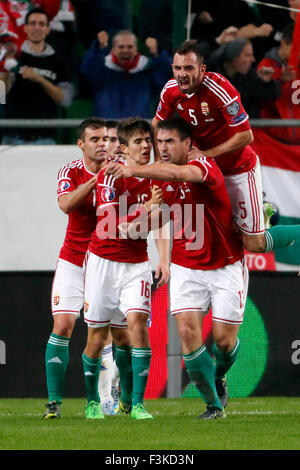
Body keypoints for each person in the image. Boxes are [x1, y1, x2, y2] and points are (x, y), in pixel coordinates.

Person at [106, 117, 248, 419]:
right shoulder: (160, 179)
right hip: (186, 265)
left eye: (169, 141)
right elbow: (163, 218)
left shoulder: (204, 166)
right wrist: (139, 225)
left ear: (188, 144)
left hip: (225, 264)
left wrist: (131, 168)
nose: (162, 148)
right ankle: (213, 405)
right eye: (160, 142)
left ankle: (220, 373)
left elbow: (178, 173)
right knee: (186, 333)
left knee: (223, 342)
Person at [152, 40, 300, 258]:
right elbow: (157, 124)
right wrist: (159, 161)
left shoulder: (219, 89)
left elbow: (245, 135)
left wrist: (206, 154)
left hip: (237, 168)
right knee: (209, 232)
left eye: (189, 68)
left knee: (254, 243)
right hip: (204, 172)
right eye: (178, 68)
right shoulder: (171, 90)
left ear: (202, 70)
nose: (182, 74)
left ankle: (266, 216)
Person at [81, 118, 168, 420]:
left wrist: (141, 222)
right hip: (103, 263)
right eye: (139, 142)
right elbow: (108, 226)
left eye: (149, 141)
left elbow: (161, 221)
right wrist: (144, 211)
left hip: (136, 264)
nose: (146, 146)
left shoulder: (158, 177)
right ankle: (93, 400)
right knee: (97, 338)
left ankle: (136, 404)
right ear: (124, 147)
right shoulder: (110, 175)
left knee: (137, 330)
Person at [43, 117, 110, 419]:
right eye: (95, 139)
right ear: (81, 144)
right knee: (64, 326)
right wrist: (97, 179)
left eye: (106, 139)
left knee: (104, 335)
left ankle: (101, 398)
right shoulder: (70, 171)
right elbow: (66, 204)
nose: (102, 145)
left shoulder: (121, 173)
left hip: (105, 264)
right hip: (72, 260)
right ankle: (54, 403)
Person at [1, 7, 74, 145]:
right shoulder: (13, 56)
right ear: (25, 28)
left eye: (41, 24)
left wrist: (39, 79)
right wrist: (6, 69)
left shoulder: (59, 61)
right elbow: (0, 96)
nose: (37, 28)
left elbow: (65, 100)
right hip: (12, 138)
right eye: (32, 23)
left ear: (48, 29)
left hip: (44, 140)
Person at [80, 29, 172, 118]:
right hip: (107, 129)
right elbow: (87, 70)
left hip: (137, 129)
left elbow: (164, 79)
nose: (125, 50)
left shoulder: (146, 70)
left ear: (136, 49)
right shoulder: (102, 71)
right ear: (113, 49)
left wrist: (156, 54)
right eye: (121, 47)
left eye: (130, 47)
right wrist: (99, 49)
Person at [207, 37, 281, 118]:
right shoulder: (209, 75)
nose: (253, 59)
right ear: (233, 57)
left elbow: (270, 96)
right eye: (247, 55)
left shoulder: (250, 76)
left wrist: (267, 83)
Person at [257, 22, 300, 144]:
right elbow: (260, 102)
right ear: (283, 43)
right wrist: (279, 80)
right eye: (297, 48)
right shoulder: (267, 67)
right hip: (275, 141)